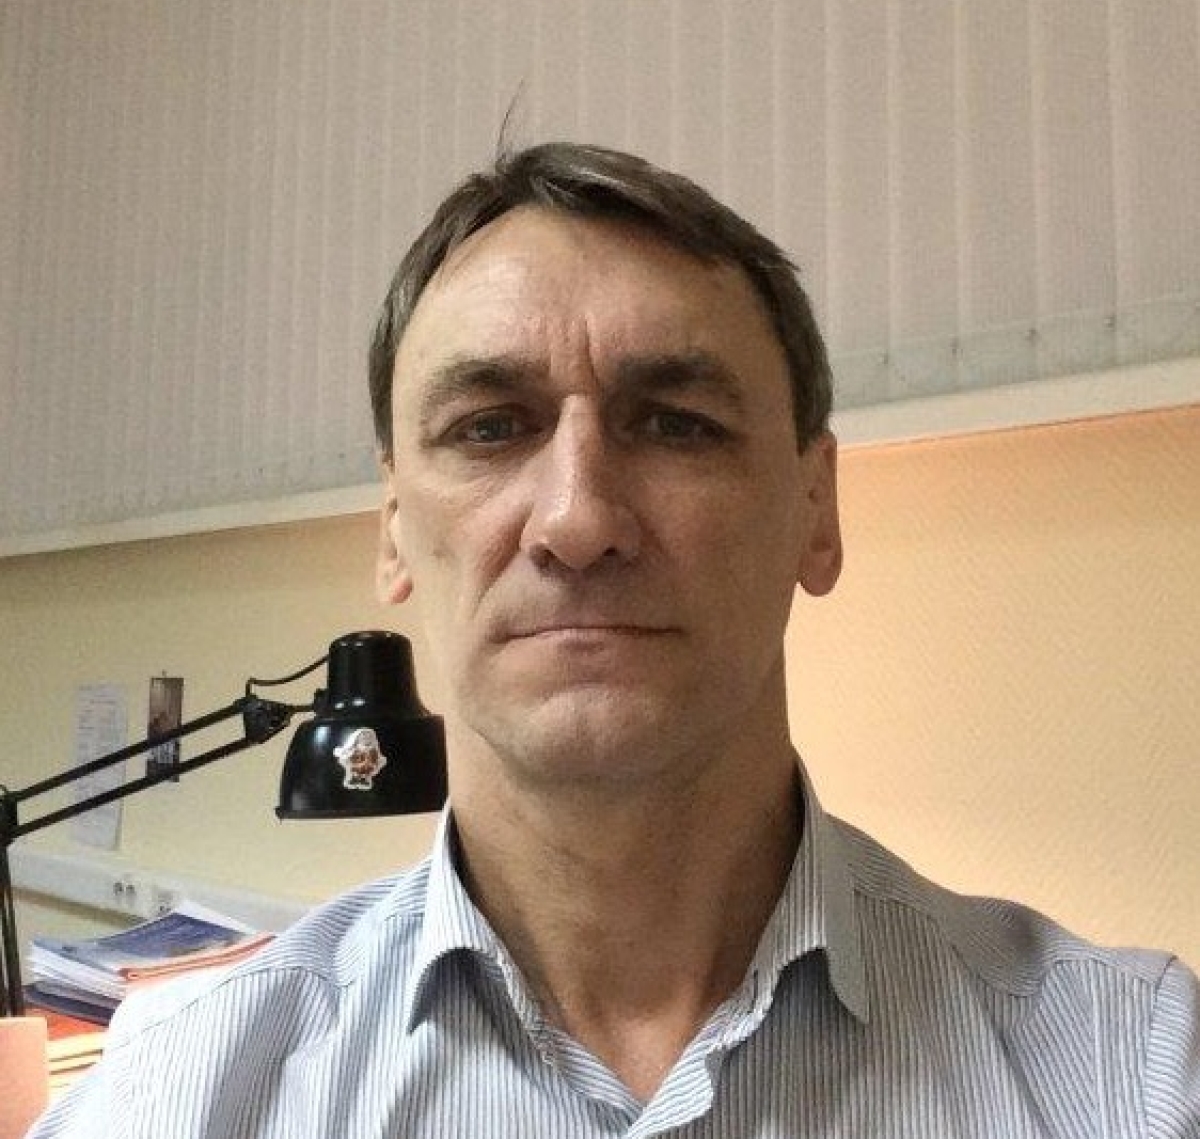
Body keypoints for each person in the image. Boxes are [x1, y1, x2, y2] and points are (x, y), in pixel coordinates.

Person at [30, 143, 1200, 1137]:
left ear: (817, 507)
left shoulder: (1132, 1077)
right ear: (392, 531)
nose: (579, 519)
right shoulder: (176, 1093)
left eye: (678, 424)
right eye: (489, 428)